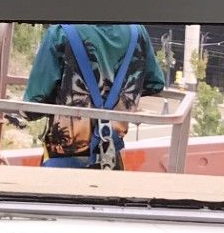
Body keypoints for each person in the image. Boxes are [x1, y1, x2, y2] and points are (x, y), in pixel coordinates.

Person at [23, 23, 166, 168]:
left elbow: (32, 105)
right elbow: (154, 84)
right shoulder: (137, 31)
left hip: (64, 160)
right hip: (110, 158)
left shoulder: (60, 32)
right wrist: (118, 96)